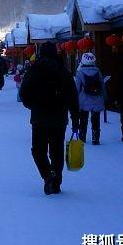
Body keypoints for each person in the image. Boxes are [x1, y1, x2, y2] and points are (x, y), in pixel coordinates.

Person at [19, 42, 80, 195]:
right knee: (56, 150)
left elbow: (24, 93)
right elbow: (73, 96)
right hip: (59, 118)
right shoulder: (63, 71)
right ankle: (56, 181)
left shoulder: (35, 69)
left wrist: (33, 105)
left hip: (39, 117)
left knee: (38, 150)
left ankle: (48, 175)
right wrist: (75, 119)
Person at [75, 52, 106, 145]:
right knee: (95, 119)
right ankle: (95, 138)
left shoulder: (80, 72)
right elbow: (103, 86)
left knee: (83, 119)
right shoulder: (98, 72)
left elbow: (77, 88)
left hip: (84, 100)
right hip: (97, 99)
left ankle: (82, 137)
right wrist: (105, 98)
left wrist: (75, 100)